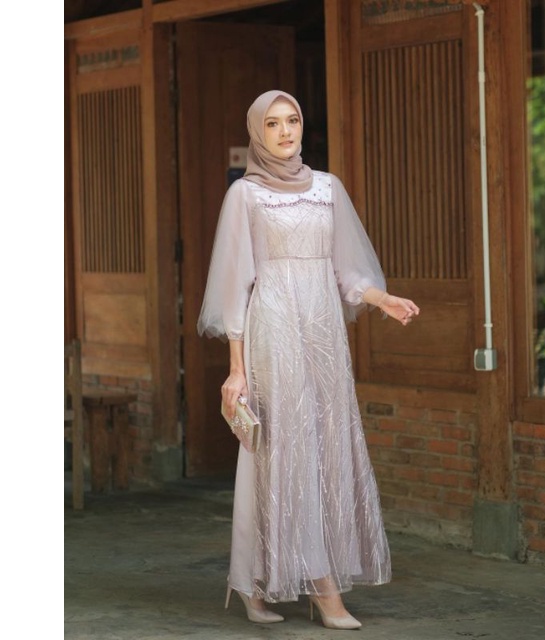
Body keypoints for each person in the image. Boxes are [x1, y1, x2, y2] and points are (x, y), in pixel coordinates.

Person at [197, 90, 420, 630]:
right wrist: (236, 367)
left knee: (325, 448)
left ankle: (254, 582)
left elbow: (348, 270)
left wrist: (380, 298)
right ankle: (319, 591)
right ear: (258, 132)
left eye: (292, 120)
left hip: (322, 332)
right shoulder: (245, 195)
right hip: (272, 330)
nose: (285, 131)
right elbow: (234, 284)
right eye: (272, 123)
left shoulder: (328, 188)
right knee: (276, 451)